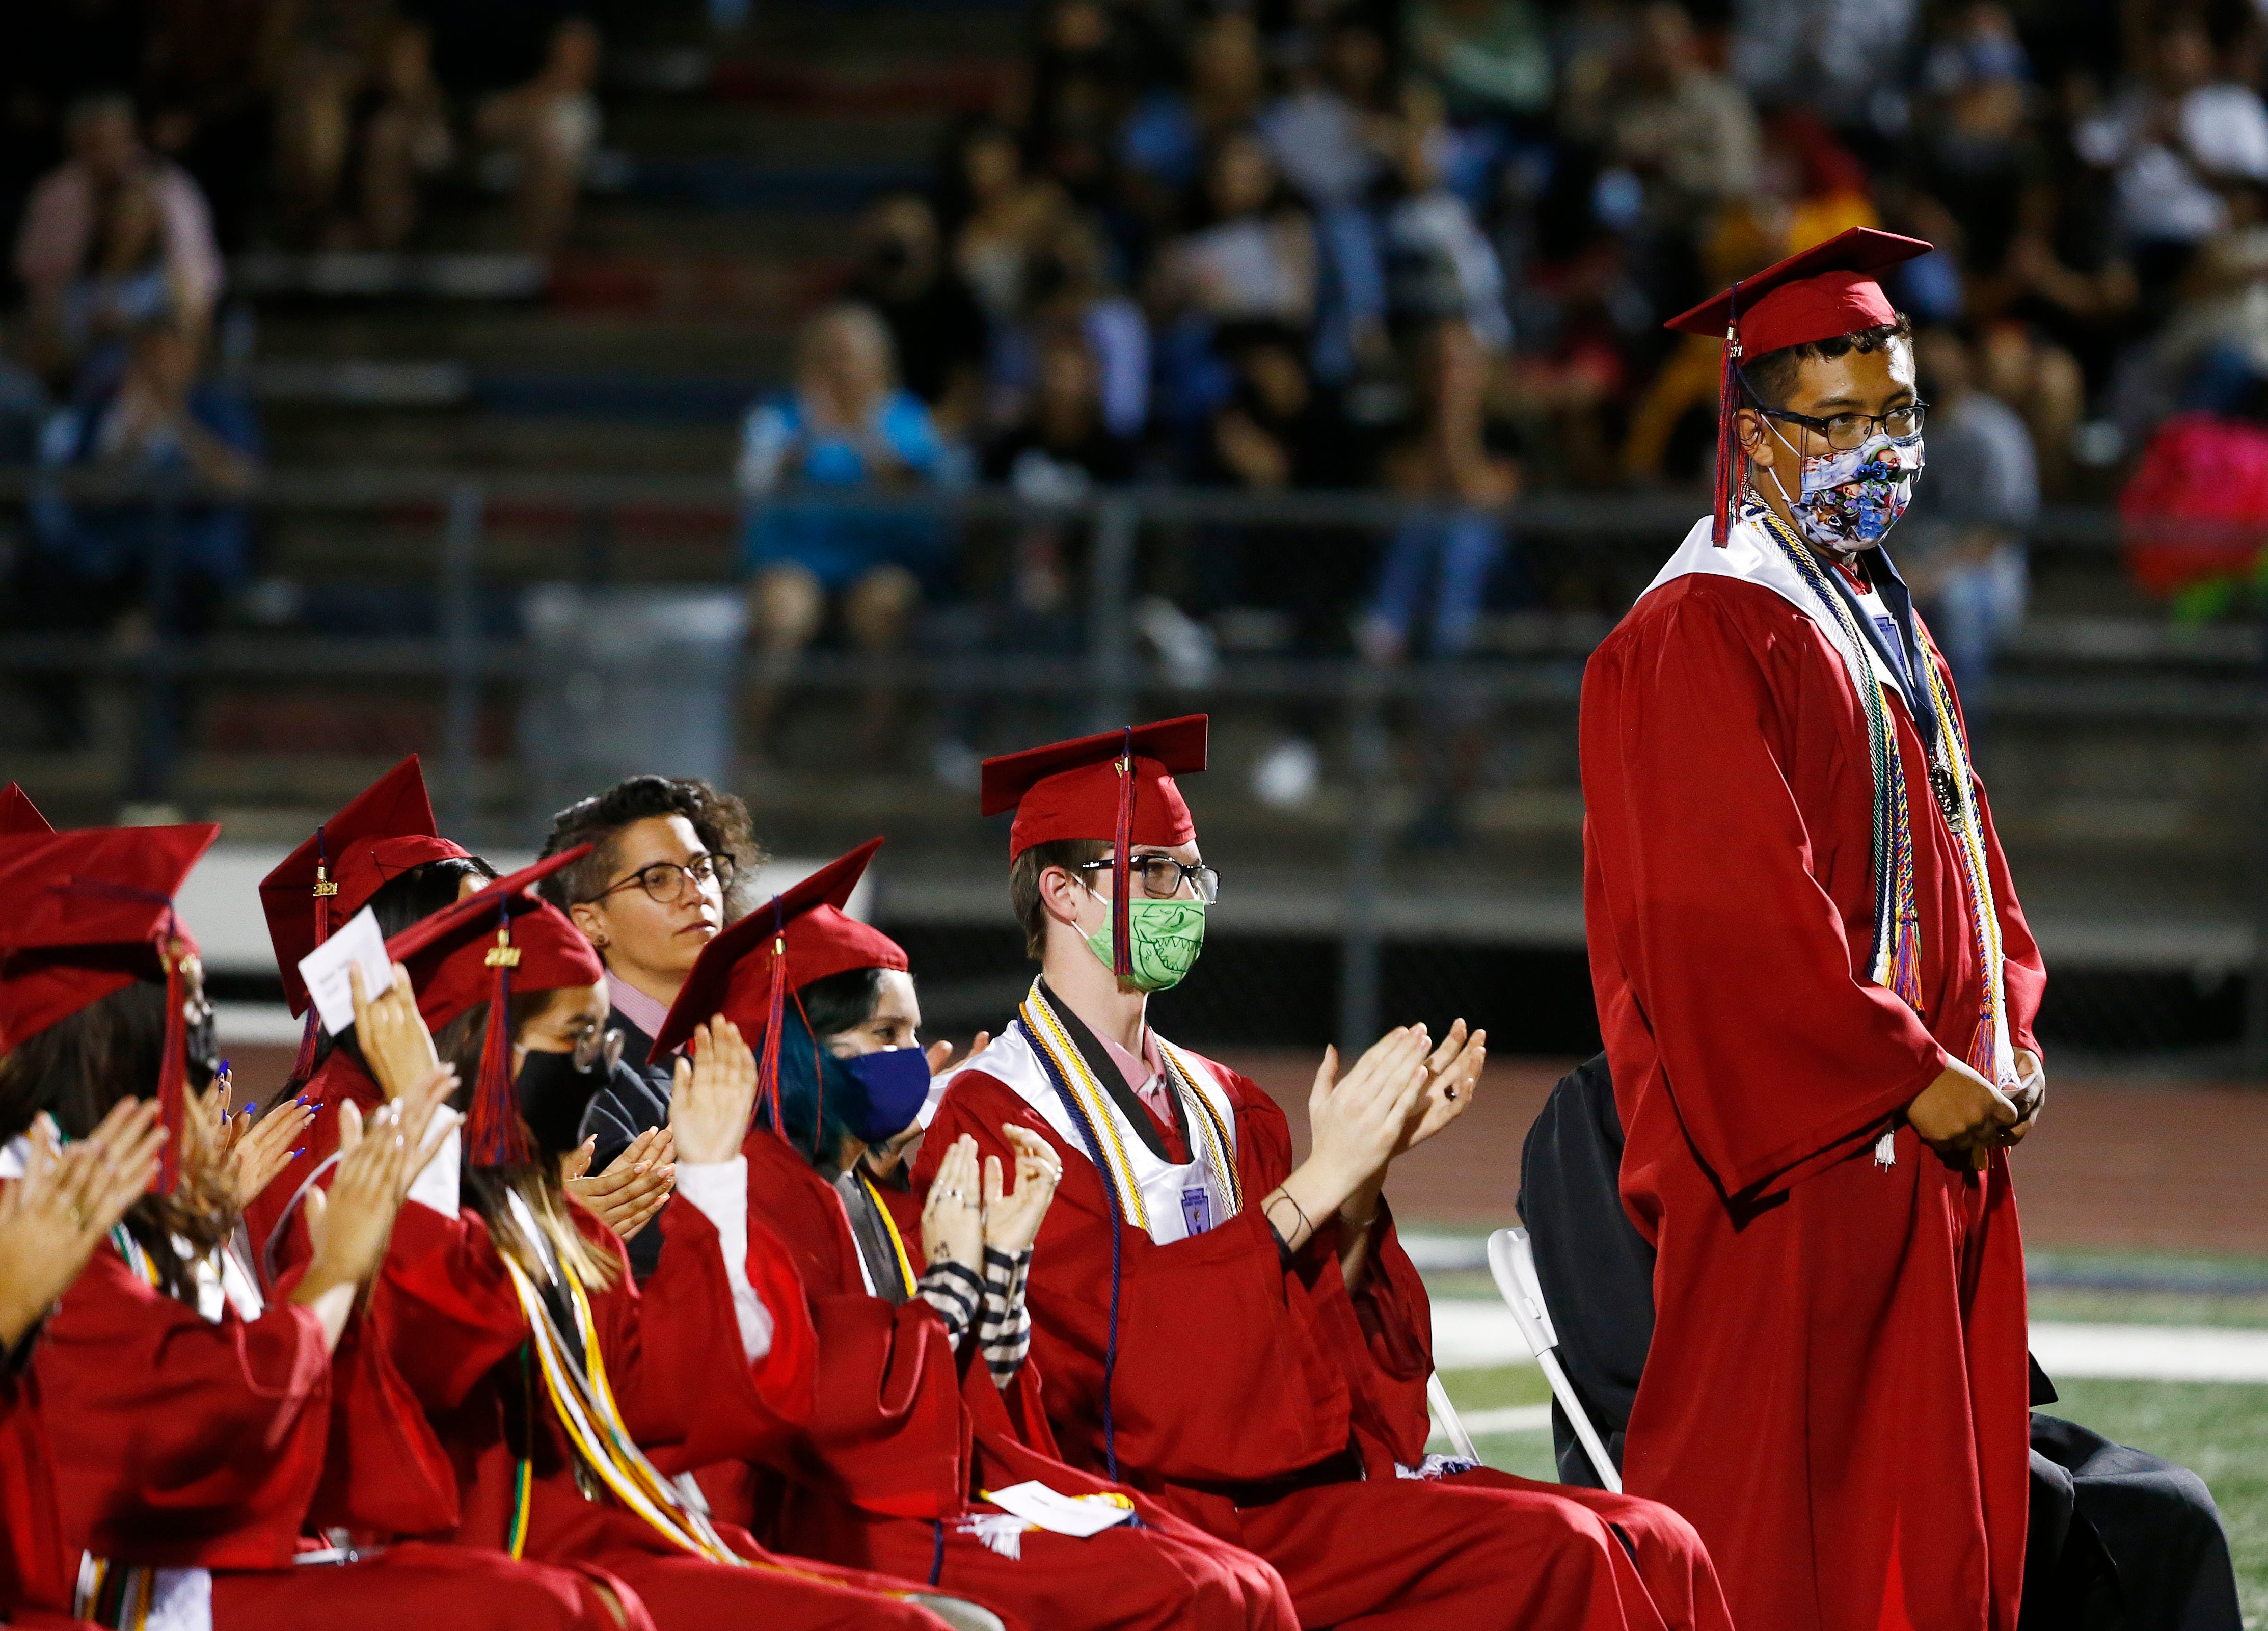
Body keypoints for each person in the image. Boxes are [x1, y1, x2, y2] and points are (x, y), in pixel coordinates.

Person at [919, 715, 1734, 1631]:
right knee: (1565, 1551)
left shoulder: (1225, 1101)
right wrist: (1317, 1182)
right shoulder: (996, 1112)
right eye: (1152, 871)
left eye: (1192, 875)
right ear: (1062, 893)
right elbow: (1121, 1361)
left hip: (1281, 1481)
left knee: (1655, 1536)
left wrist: (1359, 1181)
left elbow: (1314, 1342)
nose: (1182, 899)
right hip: (1153, 1503)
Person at [1579, 227, 2048, 1630]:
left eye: (1896, 413)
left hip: (1935, 1142)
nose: (1877, 451)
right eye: (1835, 422)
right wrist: (1905, 1071)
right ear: (1756, 436)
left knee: (1922, 1516)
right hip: (1796, 1158)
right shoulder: (1702, 629)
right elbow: (1720, 917)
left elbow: (1976, 871)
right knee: (1772, 1527)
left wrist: (2003, 1027)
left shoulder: (1878, 619)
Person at [626, 839, 1301, 1628]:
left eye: (913, 1035)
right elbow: (810, 1397)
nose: (913, 1061)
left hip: (905, 1493)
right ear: (798, 1051)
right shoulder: (758, 1190)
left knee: (1238, 1576)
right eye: (883, 1036)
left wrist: (1002, 1271)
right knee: (1194, 1587)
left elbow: (965, 1389)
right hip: (827, 1519)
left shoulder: (858, 1188)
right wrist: (951, 1289)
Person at [331, 849, 1009, 1631]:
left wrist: (713, 1178)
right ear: (494, 1053)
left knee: (953, 1621)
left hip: (615, 1542)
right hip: (503, 1567)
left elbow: (699, 1391)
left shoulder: (563, 1221)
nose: (602, 1067)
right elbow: (434, 1353)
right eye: (579, 1039)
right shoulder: (378, 1192)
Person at [0, 822, 631, 1630]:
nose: (204, 1028)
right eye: (184, 998)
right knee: (548, 1611)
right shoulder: (322, 1128)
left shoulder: (98, 1171)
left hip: (199, 1552)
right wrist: (334, 1272)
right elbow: (204, 1409)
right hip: (138, 1589)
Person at [1518, 1050, 2247, 1631]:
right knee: (2090, 1514)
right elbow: (1625, 1363)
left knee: (2163, 1505)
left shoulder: (1853, 1077)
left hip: (1906, 1405)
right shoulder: (1600, 1111)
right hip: (1755, 1457)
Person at [249, 756, 670, 1281]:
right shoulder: (330, 1128)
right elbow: (402, 1319)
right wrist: (550, 1231)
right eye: (469, 928)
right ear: (401, 951)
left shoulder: (465, 1087)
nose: (502, 948)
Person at [536, 773, 758, 1276]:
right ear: (591, 922)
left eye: (701, 869)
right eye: (658, 879)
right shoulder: (579, 1073)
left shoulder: (749, 1041)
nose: (695, 893)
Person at [736, 303, 958, 757]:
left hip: (880, 564)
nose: (842, 367)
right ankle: (751, 746)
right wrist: (807, 436)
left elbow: (920, 487)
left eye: (851, 354)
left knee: (885, 606)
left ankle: (872, 751)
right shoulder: (780, 418)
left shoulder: (907, 420)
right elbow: (752, 483)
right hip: (797, 562)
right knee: (785, 610)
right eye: (830, 354)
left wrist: (864, 436)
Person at [13, 93, 224, 382]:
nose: (123, 227)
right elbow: (37, 282)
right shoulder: (56, 193)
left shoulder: (169, 188)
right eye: (92, 142)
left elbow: (198, 289)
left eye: (134, 219)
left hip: (160, 356)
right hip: (76, 358)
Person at [1901, 326, 2038, 697]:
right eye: (1921, 362)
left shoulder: (1994, 432)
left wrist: (1928, 575)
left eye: (1941, 360)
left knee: (1956, 603)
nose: (1930, 369)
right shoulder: (1897, 429)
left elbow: (2000, 531)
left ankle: (1963, 734)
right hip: (1913, 564)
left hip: (1983, 573)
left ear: (1964, 364)